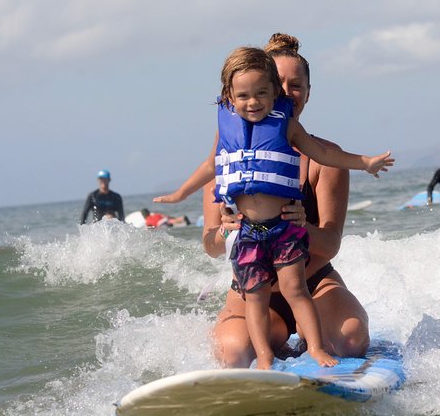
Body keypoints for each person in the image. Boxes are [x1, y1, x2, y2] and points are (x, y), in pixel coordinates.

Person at [154, 44, 393, 369]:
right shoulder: (231, 159)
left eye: (296, 85)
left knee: (351, 340)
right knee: (233, 351)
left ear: (308, 93)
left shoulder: (325, 159)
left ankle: (315, 343)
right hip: (253, 288)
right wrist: (226, 230)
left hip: (312, 282)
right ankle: (271, 351)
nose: (286, 91)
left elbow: (331, 245)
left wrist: (302, 227)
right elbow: (211, 246)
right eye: (278, 82)